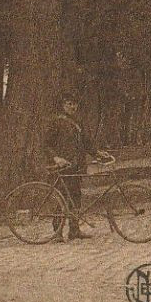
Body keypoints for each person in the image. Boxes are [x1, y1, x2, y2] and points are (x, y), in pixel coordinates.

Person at [43, 95, 111, 241]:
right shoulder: (56, 122)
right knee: (62, 198)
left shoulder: (77, 122)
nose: (73, 107)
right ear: (62, 105)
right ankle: (57, 232)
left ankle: (74, 230)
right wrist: (56, 158)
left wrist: (96, 152)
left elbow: (85, 142)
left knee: (75, 197)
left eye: (75, 104)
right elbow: (46, 144)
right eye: (69, 104)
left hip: (77, 165)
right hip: (63, 166)